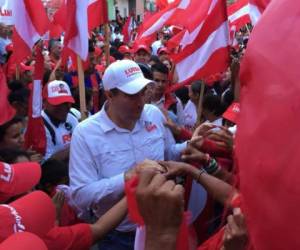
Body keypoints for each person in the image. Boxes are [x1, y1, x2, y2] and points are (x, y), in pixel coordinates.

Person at [69, 60, 186, 250]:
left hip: (162, 225)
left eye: (142, 92)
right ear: (110, 95)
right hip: (118, 236)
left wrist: (189, 146)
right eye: (131, 95)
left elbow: (169, 154)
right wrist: (126, 178)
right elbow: (80, 196)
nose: (140, 101)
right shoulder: (85, 133)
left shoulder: (154, 114)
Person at [42, 80, 78, 161]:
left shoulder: (72, 117)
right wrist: (78, 146)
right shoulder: (40, 127)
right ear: (44, 103)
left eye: (67, 102)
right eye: (57, 103)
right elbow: (48, 164)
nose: (63, 107)